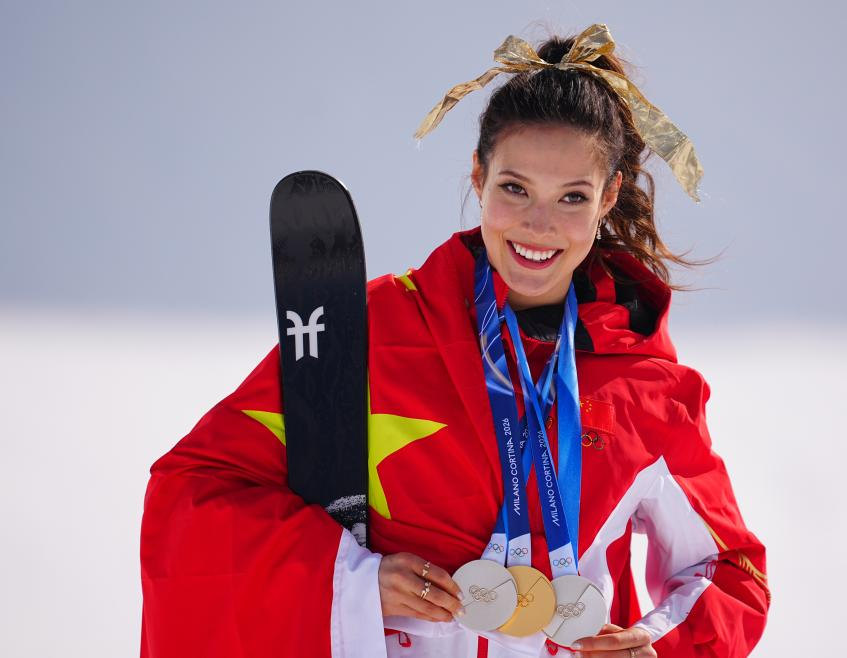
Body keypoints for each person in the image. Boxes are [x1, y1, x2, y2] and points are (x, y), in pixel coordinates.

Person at [140, 24, 770, 658]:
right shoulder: (372, 333)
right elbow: (192, 495)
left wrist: (655, 645)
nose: (538, 224)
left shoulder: (646, 384)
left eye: (572, 197)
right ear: (478, 176)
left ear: (607, 197)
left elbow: (730, 570)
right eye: (515, 188)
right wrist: (351, 581)